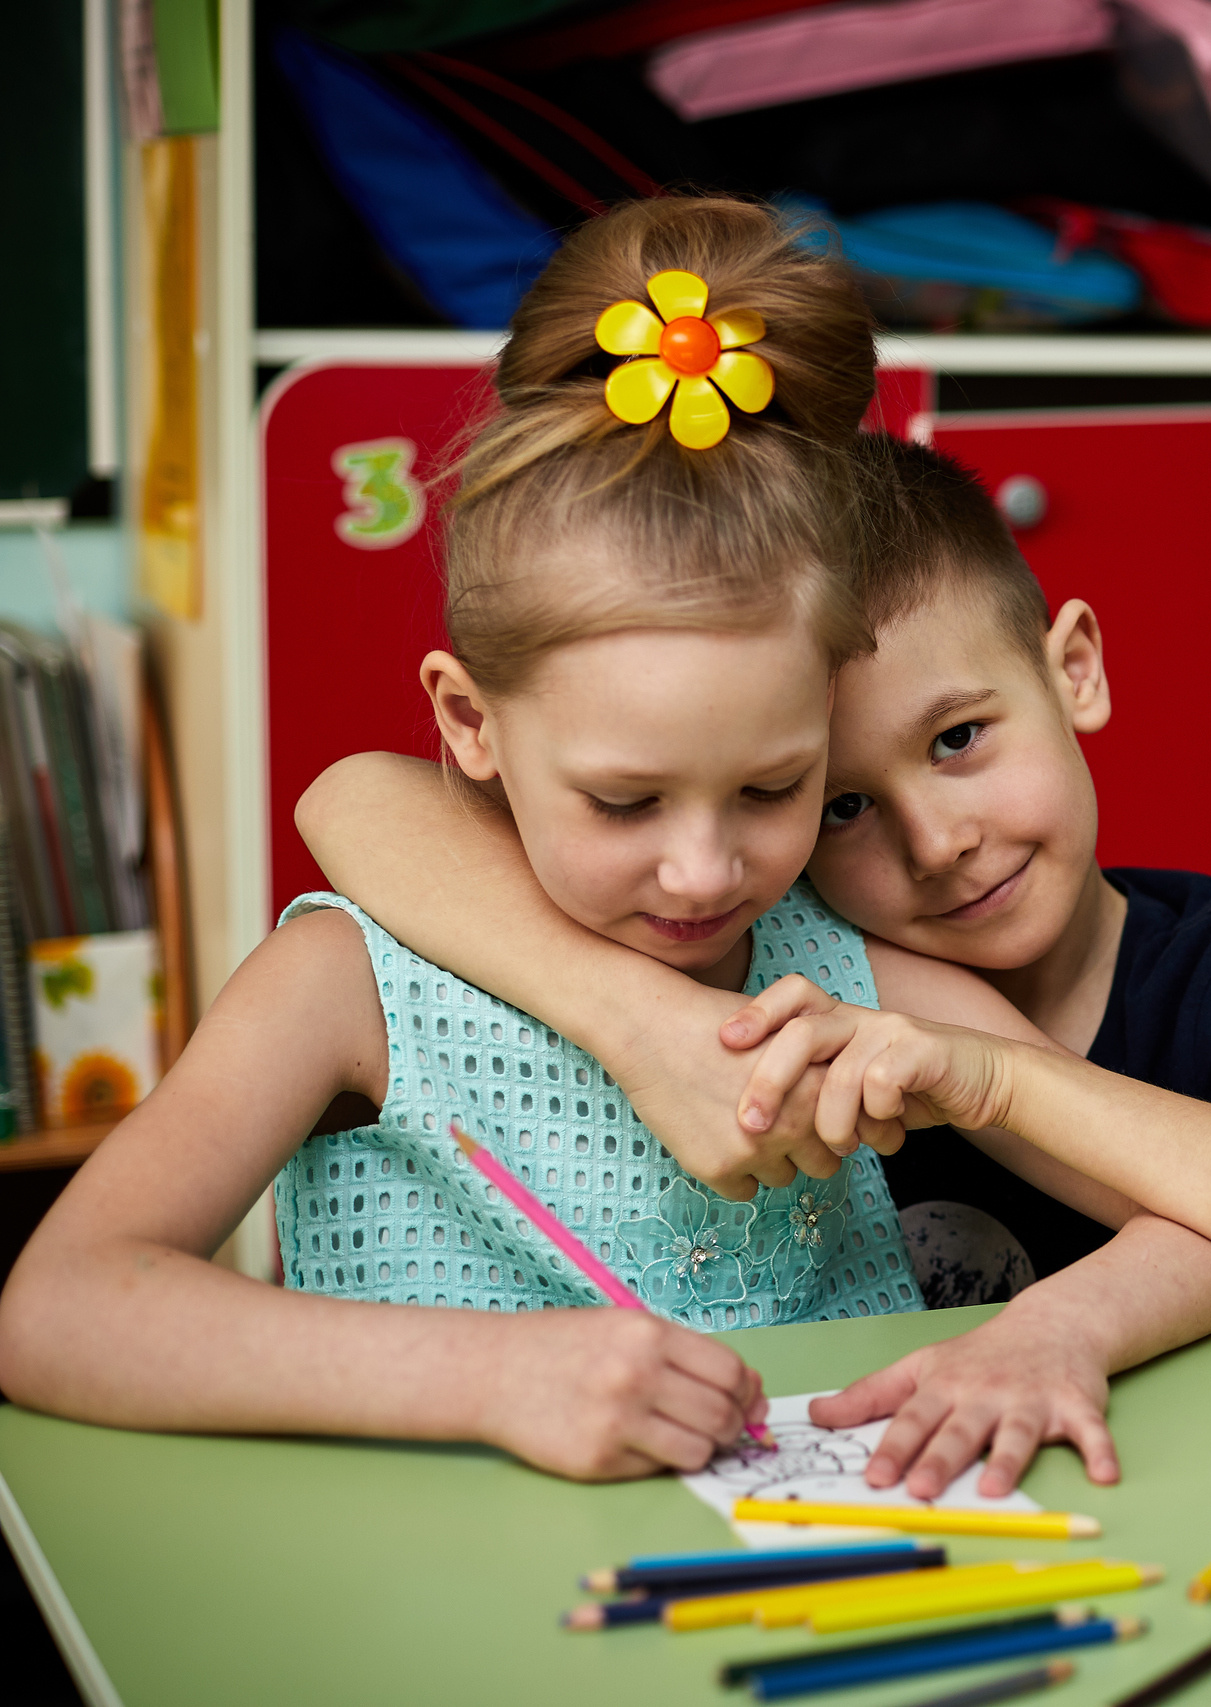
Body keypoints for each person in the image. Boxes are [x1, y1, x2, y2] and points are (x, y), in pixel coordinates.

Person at [294, 438, 1211, 1500]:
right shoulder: (784, 921)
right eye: (839, 802)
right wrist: (640, 1018)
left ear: (1076, 672)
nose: (935, 843)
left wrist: (1002, 1101)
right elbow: (358, 798)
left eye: (959, 739)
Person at [0, 196, 893, 1477]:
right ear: (467, 721)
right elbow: (53, 1312)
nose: (705, 872)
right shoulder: (349, 985)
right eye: (624, 802)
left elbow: (1177, 1178)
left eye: (771, 789)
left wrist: (1064, 1325)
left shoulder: (850, 953)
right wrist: (490, 1374)